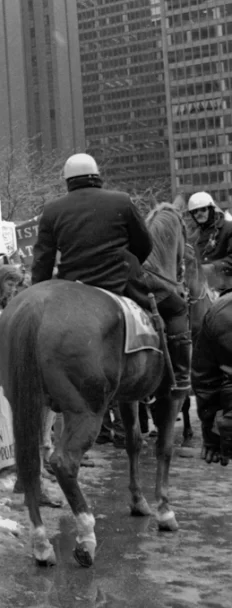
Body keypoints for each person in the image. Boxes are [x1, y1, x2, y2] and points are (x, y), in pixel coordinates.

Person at [32, 153, 191, 393]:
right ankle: (180, 376)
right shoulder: (121, 201)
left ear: (67, 181)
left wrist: (38, 293)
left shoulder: (52, 210)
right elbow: (144, 244)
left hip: (72, 285)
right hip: (121, 280)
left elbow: (43, 260)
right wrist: (129, 260)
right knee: (177, 306)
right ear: (97, 176)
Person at [191, 290, 232, 465]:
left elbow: (206, 378)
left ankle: (176, 377)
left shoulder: (221, 308)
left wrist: (211, 434)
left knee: (177, 313)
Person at [186, 191, 232, 293]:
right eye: (195, 211)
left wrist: (212, 267)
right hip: (199, 289)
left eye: (203, 209)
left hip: (226, 287)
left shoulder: (229, 228)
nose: (199, 213)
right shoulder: (192, 237)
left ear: (211, 210)